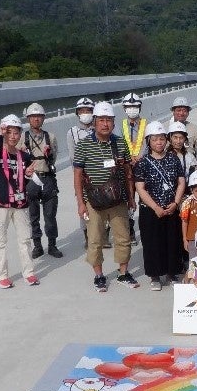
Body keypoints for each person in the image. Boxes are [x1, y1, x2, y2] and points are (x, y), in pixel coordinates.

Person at [72, 101, 139, 293]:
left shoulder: (120, 142)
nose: (105, 124)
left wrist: (131, 197)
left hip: (118, 199)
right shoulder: (84, 145)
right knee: (95, 239)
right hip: (94, 201)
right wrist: (81, 203)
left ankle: (123, 273)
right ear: (94, 122)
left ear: (114, 122)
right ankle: (99, 275)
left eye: (109, 120)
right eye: (101, 120)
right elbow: (77, 175)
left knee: (123, 237)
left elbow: (127, 172)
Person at [0, 114, 38, 288]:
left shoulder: (25, 157)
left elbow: (28, 177)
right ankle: (1, 276)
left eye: (16, 133)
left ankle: (29, 273)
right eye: (9, 133)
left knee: (25, 239)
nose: (13, 136)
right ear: (3, 134)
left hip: (21, 204)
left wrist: (31, 175)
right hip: (0, 204)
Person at [134, 121, 186, 291]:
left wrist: (176, 203)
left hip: (171, 208)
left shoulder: (173, 159)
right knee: (152, 243)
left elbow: (181, 182)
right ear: (148, 141)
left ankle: (172, 273)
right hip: (150, 211)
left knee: (172, 242)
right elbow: (140, 188)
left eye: (162, 139)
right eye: (155, 139)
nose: (159, 142)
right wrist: (155, 207)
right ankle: (155, 276)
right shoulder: (143, 162)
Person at [20, 102, 62, 259]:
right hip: (31, 180)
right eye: (33, 117)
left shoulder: (50, 137)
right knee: (33, 215)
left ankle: (52, 244)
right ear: (28, 119)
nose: (36, 119)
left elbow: (54, 157)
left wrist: (47, 154)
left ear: (43, 118)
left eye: (39, 116)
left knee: (50, 215)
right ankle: (37, 245)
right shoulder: (22, 138)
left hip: (47, 178)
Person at [66, 97, 96, 249]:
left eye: (88, 111)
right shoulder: (73, 132)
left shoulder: (99, 129)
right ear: (77, 113)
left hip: (99, 175)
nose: (85, 113)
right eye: (82, 111)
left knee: (103, 203)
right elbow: (72, 157)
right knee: (83, 206)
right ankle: (87, 235)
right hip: (83, 176)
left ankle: (103, 235)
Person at [121, 92, 148, 245]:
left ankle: (146, 228)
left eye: (135, 106)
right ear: (124, 108)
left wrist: (140, 157)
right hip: (128, 167)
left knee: (145, 199)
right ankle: (130, 230)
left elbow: (149, 143)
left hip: (143, 166)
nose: (132, 109)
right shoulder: (121, 125)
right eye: (129, 106)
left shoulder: (146, 124)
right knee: (128, 199)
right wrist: (128, 159)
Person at [167, 121, 197, 185]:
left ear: (185, 139)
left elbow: (193, 178)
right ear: (170, 138)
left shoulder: (190, 157)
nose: (178, 141)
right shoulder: (164, 155)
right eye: (175, 137)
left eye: (181, 138)